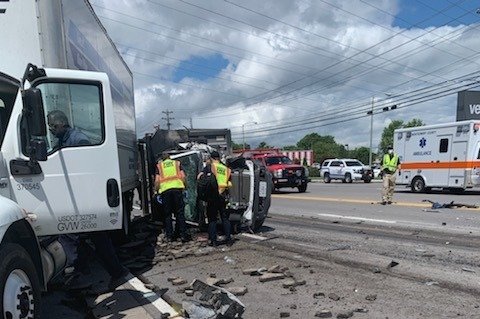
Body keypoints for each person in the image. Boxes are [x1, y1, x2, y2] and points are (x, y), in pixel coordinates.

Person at [48, 110, 129, 290]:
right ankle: (109, 272)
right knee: (95, 238)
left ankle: (79, 272)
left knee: (69, 235)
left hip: (83, 199)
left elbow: (85, 171)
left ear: (61, 123)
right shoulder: (62, 140)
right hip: (77, 199)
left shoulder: (78, 140)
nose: (51, 130)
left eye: (53, 126)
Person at [198, 151, 233, 246]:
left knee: (212, 219)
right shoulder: (226, 169)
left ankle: (213, 241)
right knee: (225, 218)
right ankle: (229, 240)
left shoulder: (210, 167)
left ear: (211, 158)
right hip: (223, 196)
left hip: (213, 196)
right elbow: (229, 184)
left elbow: (201, 178)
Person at [155, 152, 190, 242]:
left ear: (163, 159)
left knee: (167, 214)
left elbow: (157, 181)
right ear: (170, 157)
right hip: (177, 189)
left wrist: (156, 191)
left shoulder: (160, 166)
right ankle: (183, 235)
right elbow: (183, 177)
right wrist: (185, 188)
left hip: (165, 191)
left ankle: (169, 236)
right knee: (180, 213)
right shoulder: (176, 163)